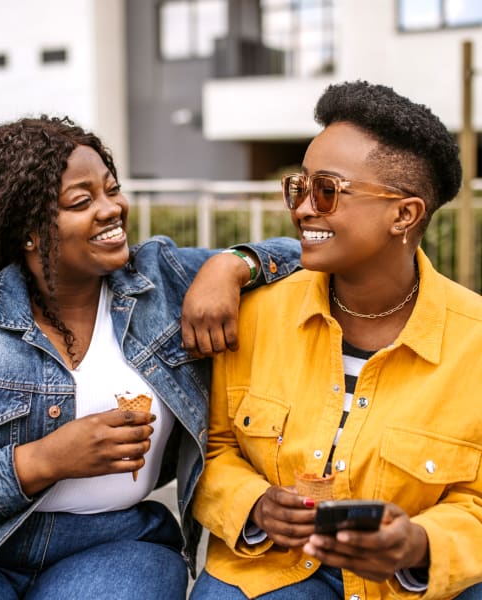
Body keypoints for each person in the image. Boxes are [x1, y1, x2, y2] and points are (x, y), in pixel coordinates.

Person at [0, 115, 301, 600]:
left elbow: (295, 253)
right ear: (28, 232)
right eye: (81, 202)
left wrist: (229, 266)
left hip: (117, 541)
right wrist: (41, 461)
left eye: (112, 189)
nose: (112, 209)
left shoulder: (161, 280)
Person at [190, 81, 482, 600]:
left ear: (404, 215)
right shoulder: (255, 316)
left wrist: (418, 543)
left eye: (327, 190)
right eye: (298, 188)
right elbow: (213, 449)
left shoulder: (474, 342)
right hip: (270, 574)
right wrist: (254, 504)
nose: (303, 208)